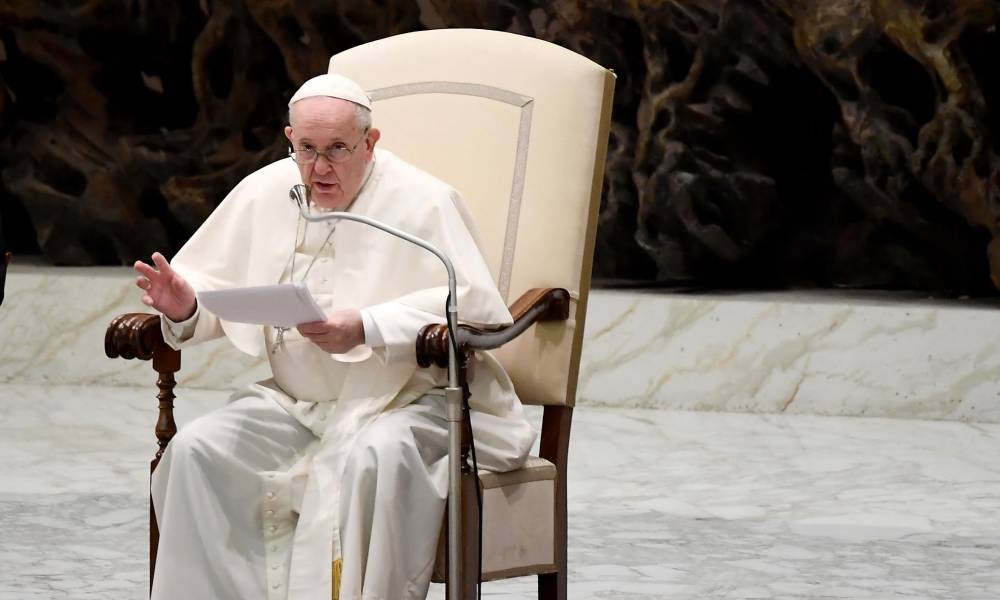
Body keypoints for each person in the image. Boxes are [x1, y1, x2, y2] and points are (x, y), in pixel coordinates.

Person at [133, 73, 535, 600]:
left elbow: (478, 307)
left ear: (371, 142)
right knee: (195, 453)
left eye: (338, 149)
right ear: (289, 139)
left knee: (375, 456)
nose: (319, 168)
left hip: (408, 402)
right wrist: (184, 306)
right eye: (306, 149)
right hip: (298, 406)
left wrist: (368, 326)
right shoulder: (265, 191)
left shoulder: (423, 203)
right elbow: (216, 291)